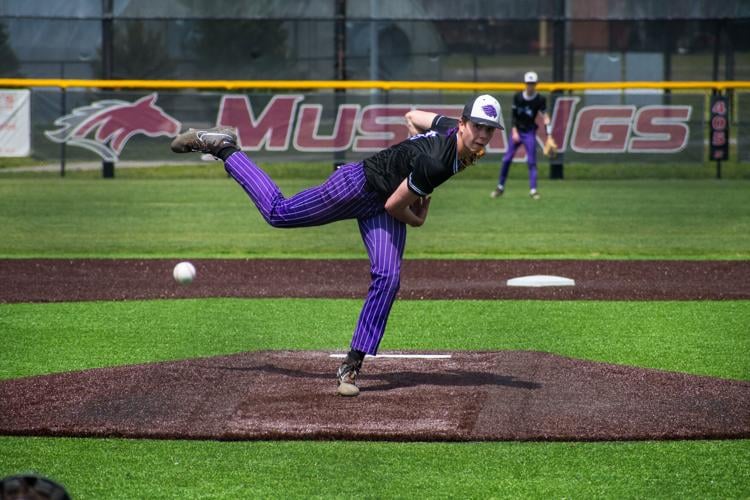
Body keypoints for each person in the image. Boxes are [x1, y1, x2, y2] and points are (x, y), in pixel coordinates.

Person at [171, 94, 504, 397]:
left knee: (388, 277)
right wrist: (418, 217)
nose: (483, 135)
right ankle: (224, 147)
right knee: (278, 212)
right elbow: (396, 208)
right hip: (357, 187)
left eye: (490, 129)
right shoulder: (438, 161)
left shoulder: (451, 132)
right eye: (477, 126)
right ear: (462, 124)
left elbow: (414, 116)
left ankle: (352, 362)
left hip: (383, 199)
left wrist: (407, 158)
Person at [491, 71, 553, 200]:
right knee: (507, 159)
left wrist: (549, 133)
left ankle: (533, 190)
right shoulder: (518, 97)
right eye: (528, 83)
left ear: (536, 84)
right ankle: (500, 187)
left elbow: (545, 115)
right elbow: (513, 116)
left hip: (530, 132)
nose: (530, 86)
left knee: (531, 161)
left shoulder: (540, 99)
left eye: (532, 83)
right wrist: (514, 131)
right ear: (525, 84)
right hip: (517, 131)